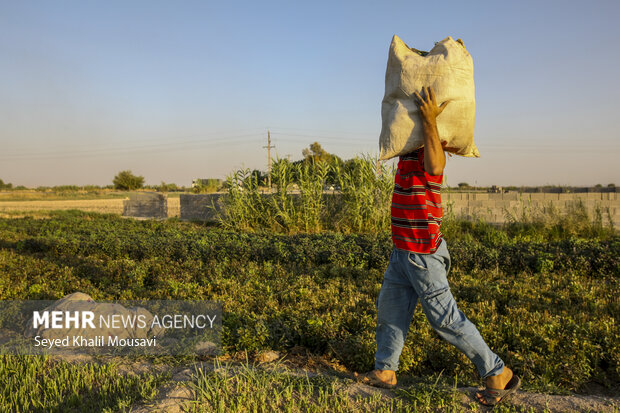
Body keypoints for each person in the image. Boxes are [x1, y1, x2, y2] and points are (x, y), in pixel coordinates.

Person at [355, 86, 521, 406]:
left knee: (446, 320)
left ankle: (497, 372)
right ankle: (385, 370)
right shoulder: (405, 151)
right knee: (390, 312)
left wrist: (430, 120)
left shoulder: (429, 152)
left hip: (422, 254)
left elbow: (436, 166)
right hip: (402, 250)